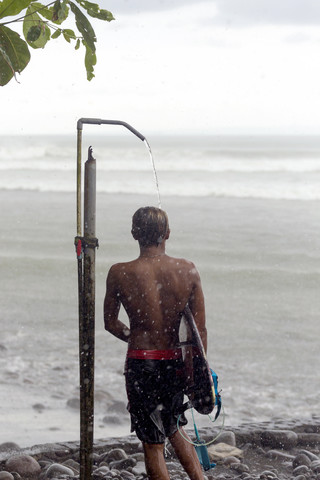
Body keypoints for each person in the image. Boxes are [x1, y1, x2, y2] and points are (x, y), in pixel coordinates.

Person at [104, 206, 207, 480]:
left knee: (152, 441)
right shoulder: (188, 270)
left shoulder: (119, 272)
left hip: (141, 364)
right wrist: (197, 373)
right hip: (175, 363)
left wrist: (135, 335)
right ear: (168, 234)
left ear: (134, 233)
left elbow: (110, 323)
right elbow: (199, 330)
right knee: (174, 425)